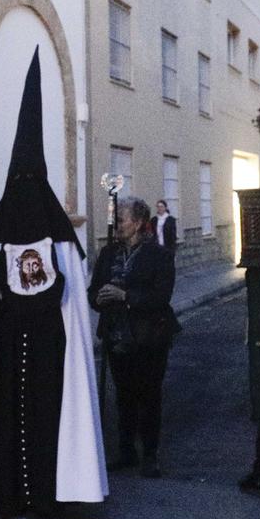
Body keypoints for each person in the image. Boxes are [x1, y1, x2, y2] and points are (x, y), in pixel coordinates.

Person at [0, 51, 107, 519]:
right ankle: (8, 496)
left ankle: (50, 496)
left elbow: (70, 299)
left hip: (50, 355)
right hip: (3, 350)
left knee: (46, 423)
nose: (21, 189)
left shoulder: (61, 242)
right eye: (15, 181)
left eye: (29, 180)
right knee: (5, 420)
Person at [91, 197, 179, 478]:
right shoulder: (107, 254)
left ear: (139, 223)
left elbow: (161, 297)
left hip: (149, 336)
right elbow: (93, 291)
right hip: (117, 336)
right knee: (124, 395)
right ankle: (126, 450)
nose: (117, 224)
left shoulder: (160, 256)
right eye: (116, 219)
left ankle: (150, 455)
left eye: (122, 219)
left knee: (149, 395)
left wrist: (125, 296)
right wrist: (100, 298)